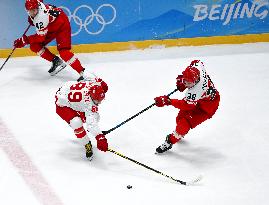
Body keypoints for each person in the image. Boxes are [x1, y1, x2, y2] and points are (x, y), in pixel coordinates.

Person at [154, 60, 220, 153]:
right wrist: (184, 81)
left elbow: (187, 106)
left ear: (196, 81)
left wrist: (168, 101)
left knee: (183, 125)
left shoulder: (196, 91)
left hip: (207, 108)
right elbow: (196, 61)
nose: (186, 85)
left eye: (189, 83)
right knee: (179, 119)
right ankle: (181, 133)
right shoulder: (198, 67)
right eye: (185, 81)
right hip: (199, 100)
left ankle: (169, 142)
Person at [14, 0, 87, 80]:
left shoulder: (41, 18)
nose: (32, 13)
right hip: (51, 26)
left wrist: (24, 40)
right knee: (35, 46)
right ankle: (56, 61)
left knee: (64, 52)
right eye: (30, 11)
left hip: (62, 25)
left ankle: (83, 72)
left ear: (38, 7)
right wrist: (31, 18)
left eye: (34, 10)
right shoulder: (37, 3)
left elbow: (40, 37)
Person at [55, 73, 109, 160]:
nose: (100, 102)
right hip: (63, 104)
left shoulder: (94, 84)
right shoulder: (88, 104)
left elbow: (89, 75)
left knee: (95, 118)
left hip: (68, 89)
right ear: (92, 98)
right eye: (97, 100)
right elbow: (91, 124)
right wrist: (99, 137)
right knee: (76, 123)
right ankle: (87, 143)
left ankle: (89, 130)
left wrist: (101, 82)